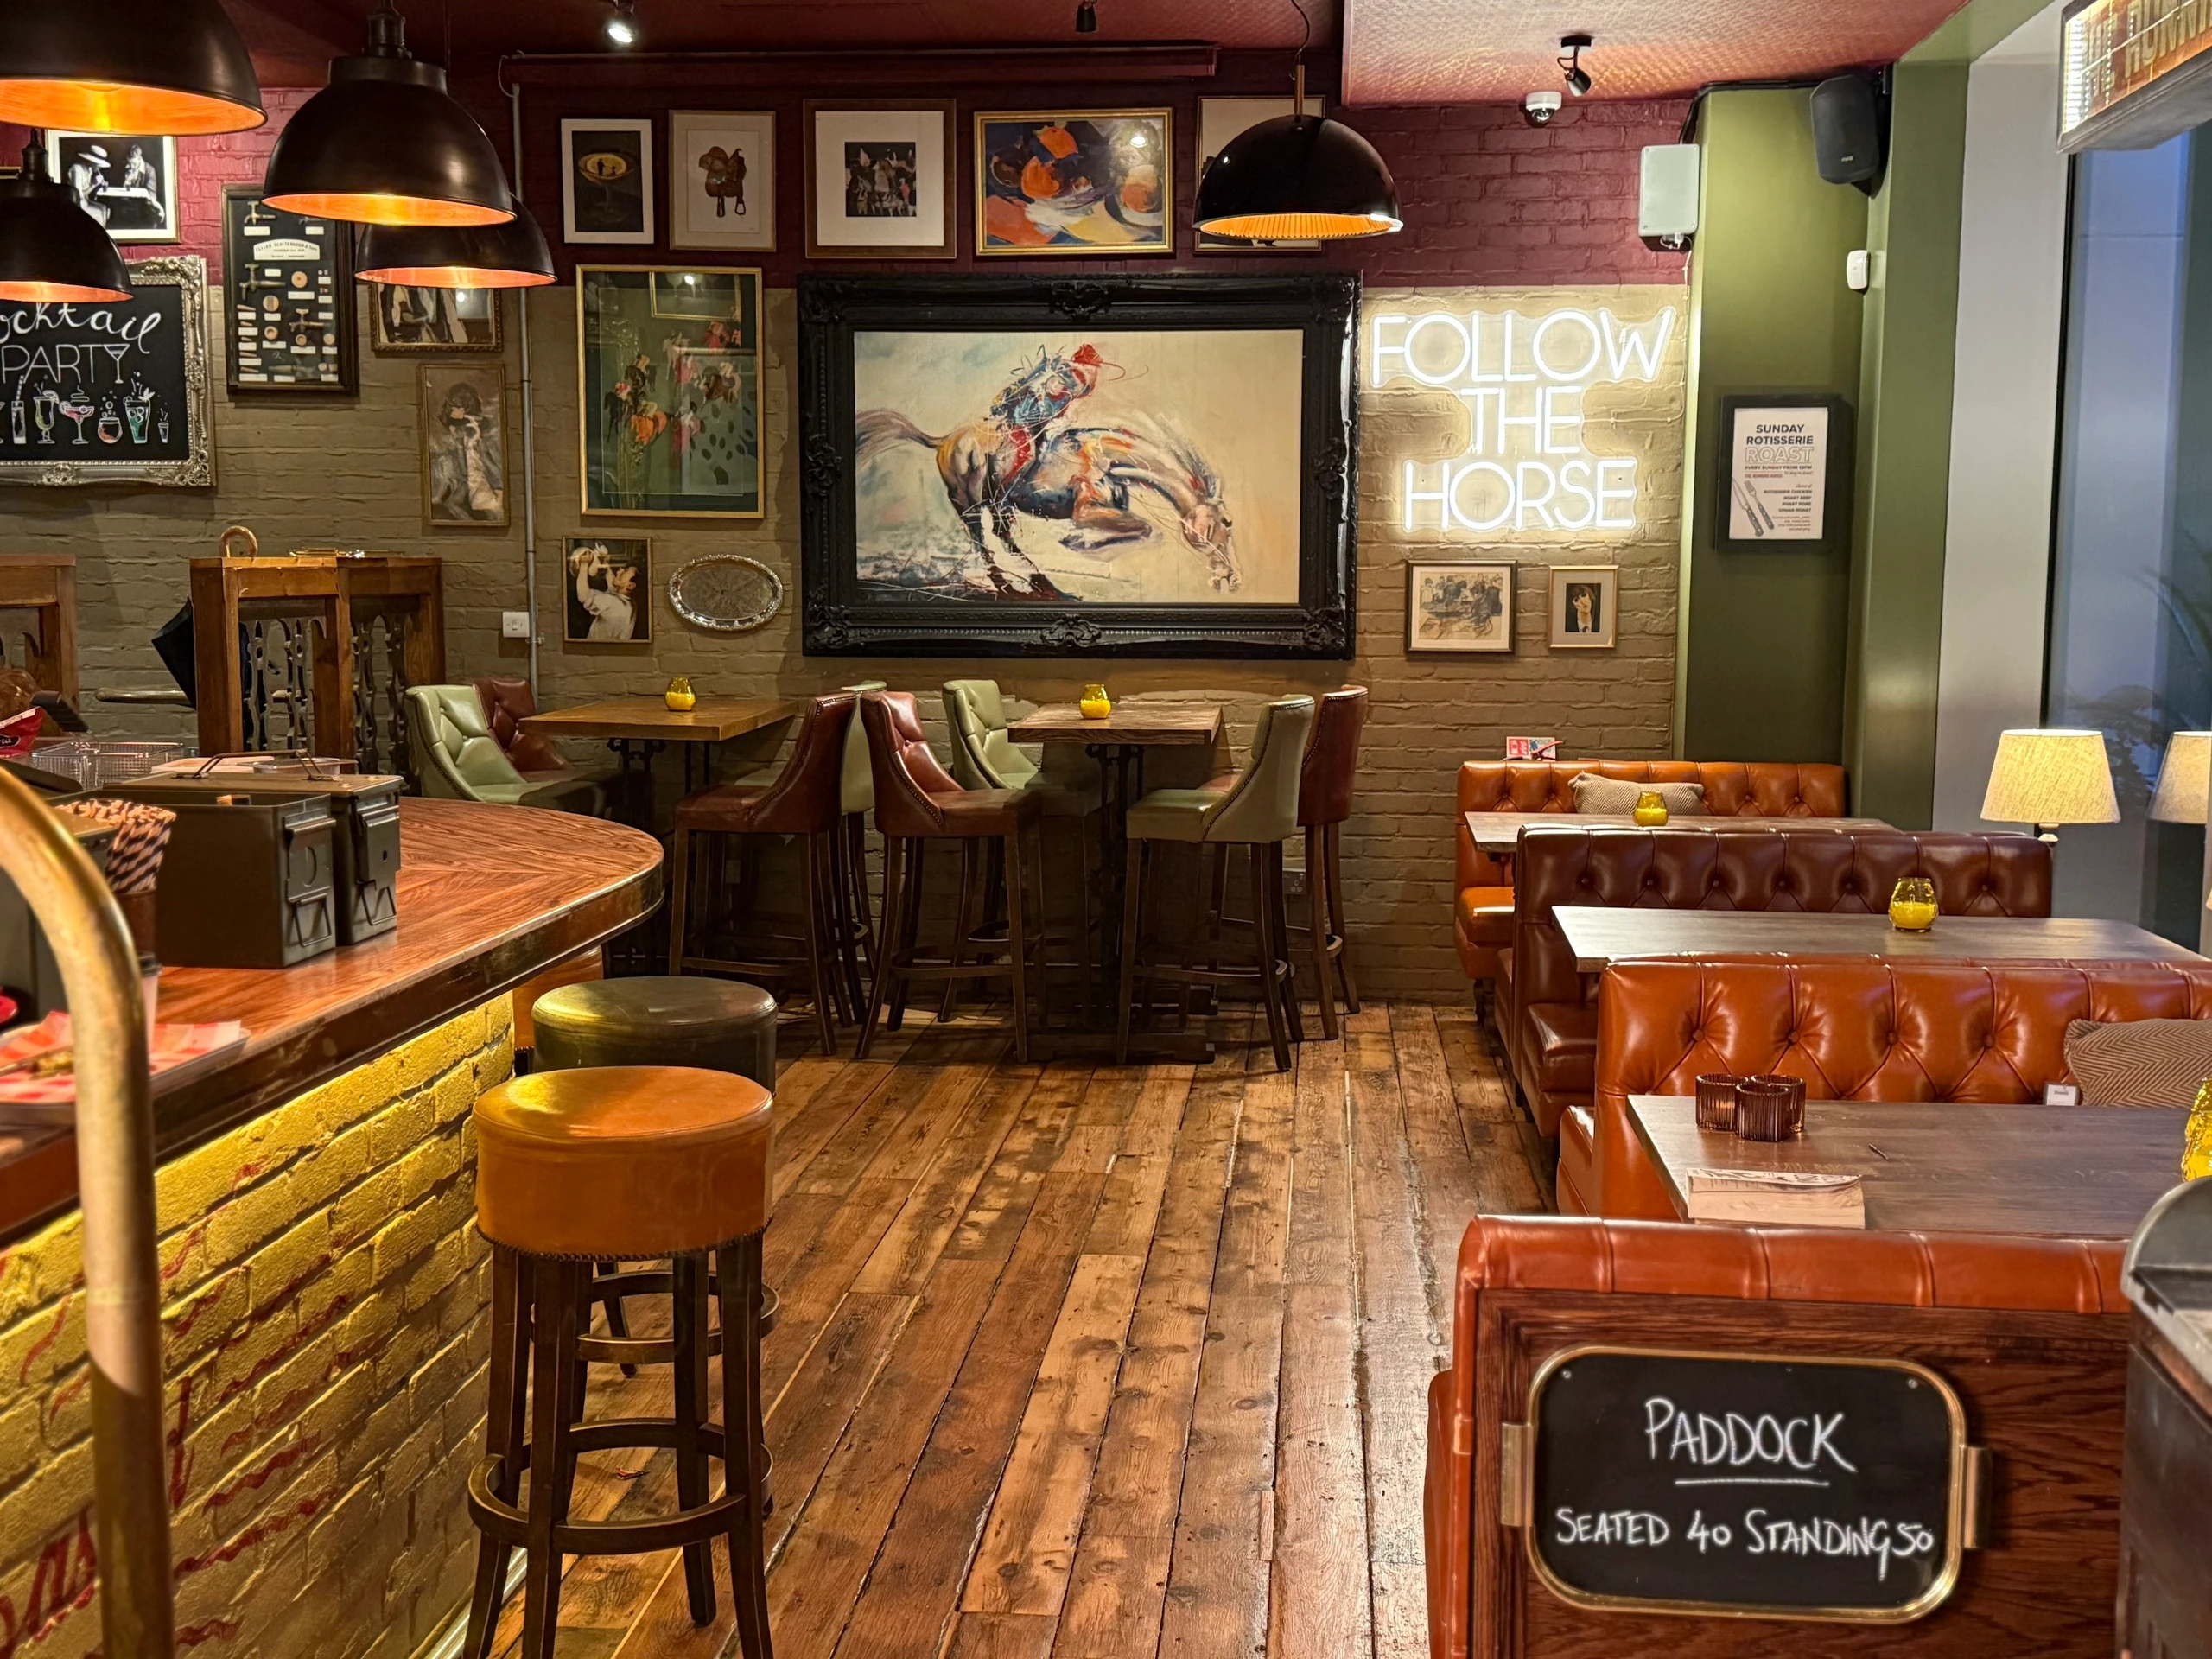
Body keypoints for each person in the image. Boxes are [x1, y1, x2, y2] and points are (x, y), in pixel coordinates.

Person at [425, 382, 503, 522]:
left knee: (492, 511)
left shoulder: (477, 432)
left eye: (457, 407)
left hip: (480, 480)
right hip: (466, 479)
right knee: (451, 504)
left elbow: (489, 463)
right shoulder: (455, 431)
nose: (453, 411)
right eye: (452, 407)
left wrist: (498, 489)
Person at [570, 543, 640, 640]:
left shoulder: (612, 603)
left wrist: (584, 564)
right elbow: (612, 587)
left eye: (625, 571)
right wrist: (605, 563)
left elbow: (584, 597)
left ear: (630, 586)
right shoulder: (629, 603)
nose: (620, 569)